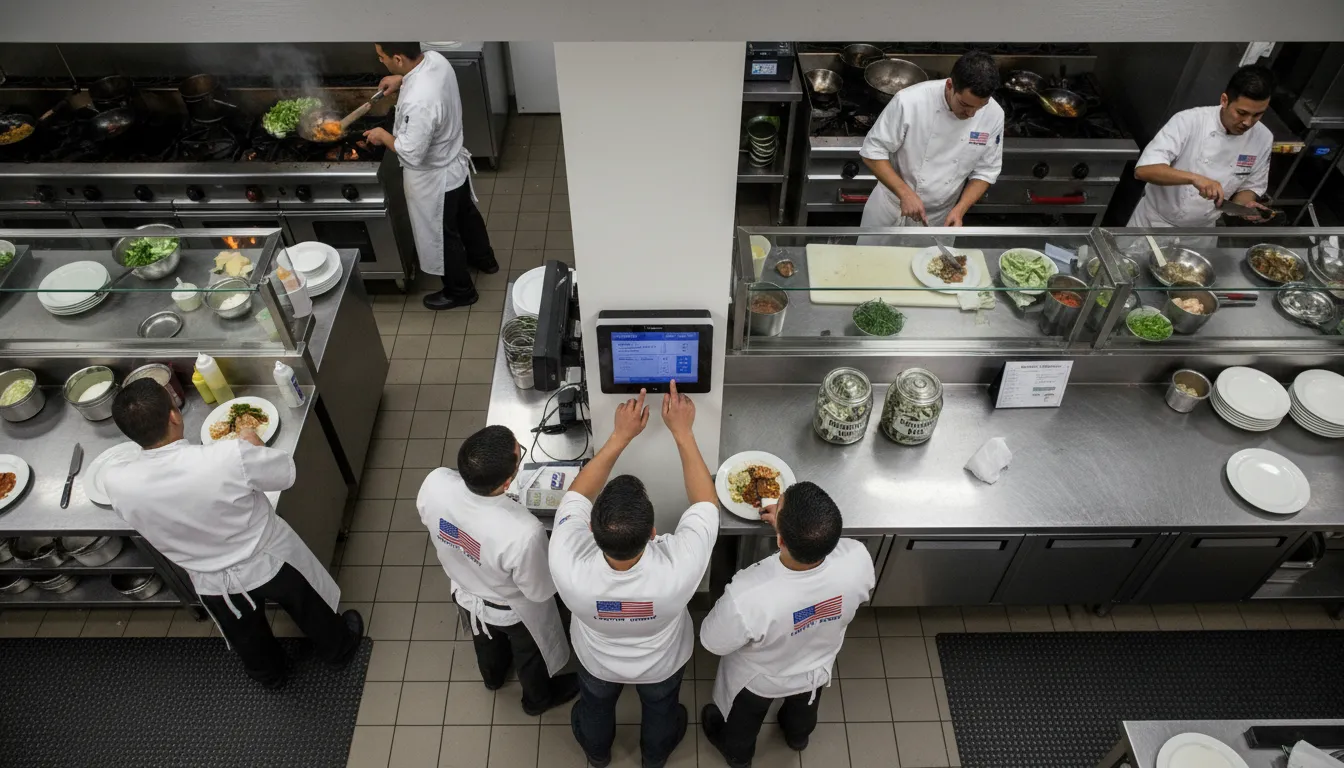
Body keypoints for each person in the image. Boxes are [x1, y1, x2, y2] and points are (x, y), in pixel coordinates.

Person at [102, 380, 362, 689]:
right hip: (268, 557)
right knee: (309, 605)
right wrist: (253, 445)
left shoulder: (116, 480)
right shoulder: (227, 456)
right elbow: (284, 474)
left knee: (245, 633)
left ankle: (271, 676)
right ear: (174, 416)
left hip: (209, 578)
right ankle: (338, 649)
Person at [549, 382, 719, 768]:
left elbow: (576, 496)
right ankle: (654, 758)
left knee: (594, 705)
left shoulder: (565, 561)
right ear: (654, 531)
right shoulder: (679, 569)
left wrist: (619, 436)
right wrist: (683, 432)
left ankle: (597, 754)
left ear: (591, 530)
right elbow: (706, 504)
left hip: (596, 660)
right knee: (661, 710)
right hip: (660, 662)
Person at [699, 482, 876, 768]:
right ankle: (797, 738)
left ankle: (738, 756)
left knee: (742, 725)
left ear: (779, 540)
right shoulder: (858, 558)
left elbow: (712, 640)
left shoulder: (749, 593)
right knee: (802, 709)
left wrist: (786, 528)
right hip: (815, 669)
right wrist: (791, 527)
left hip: (761, 681)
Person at [416, 425, 578, 715]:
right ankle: (537, 700)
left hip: (465, 592)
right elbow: (539, 589)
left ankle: (493, 677)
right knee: (529, 655)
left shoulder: (435, 482)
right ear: (507, 484)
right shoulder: (523, 531)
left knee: (485, 639)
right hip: (510, 610)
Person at [363, 42, 498, 311]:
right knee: (466, 215)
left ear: (399, 58)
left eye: (382, 58)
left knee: (441, 234)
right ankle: (485, 260)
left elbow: (411, 153)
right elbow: (424, 76)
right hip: (453, 165)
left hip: (434, 179)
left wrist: (382, 135)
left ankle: (461, 291)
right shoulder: (436, 59)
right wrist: (401, 80)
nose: (381, 62)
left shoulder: (419, 102)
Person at [859, 50, 1004, 241]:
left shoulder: (994, 115)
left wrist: (960, 209)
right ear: (950, 85)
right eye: (964, 105)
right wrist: (905, 193)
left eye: (980, 107)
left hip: (939, 219)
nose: (971, 114)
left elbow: (986, 172)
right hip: (891, 208)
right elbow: (872, 151)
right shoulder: (910, 101)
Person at [1128, 64, 1276, 234]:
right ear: (1224, 100)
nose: (1248, 122)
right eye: (1241, 113)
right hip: (1152, 224)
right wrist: (1194, 178)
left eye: (1257, 115)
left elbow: (1250, 186)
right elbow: (1144, 170)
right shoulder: (1189, 121)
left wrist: (1244, 205)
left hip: (1200, 234)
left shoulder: (1263, 138)